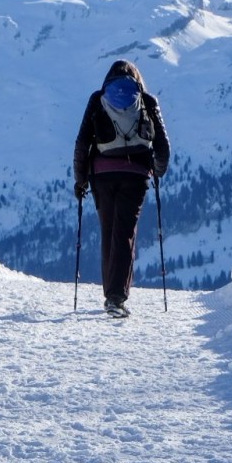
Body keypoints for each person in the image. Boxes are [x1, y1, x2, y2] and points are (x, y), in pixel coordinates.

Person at [73, 59, 171, 317]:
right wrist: (157, 171)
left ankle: (111, 294)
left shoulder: (98, 99)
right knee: (125, 232)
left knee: (109, 230)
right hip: (136, 175)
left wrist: (80, 179)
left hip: (102, 176)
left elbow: (82, 142)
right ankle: (116, 298)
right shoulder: (147, 101)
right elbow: (163, 146)